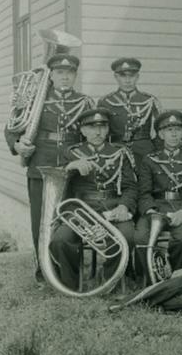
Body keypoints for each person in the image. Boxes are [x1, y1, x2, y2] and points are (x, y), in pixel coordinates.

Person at [4, 52, 95, 283]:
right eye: (60, 72)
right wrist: (17, 144)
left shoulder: (85, 102)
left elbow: (92, 137)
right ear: (52, 75)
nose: (65, 77)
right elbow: (13, 126)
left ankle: (68, 275)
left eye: (70, 73)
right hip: (41, 163)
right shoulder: (35, 100)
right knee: (40, 222)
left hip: (72, 166)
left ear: (75, 75)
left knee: (70, 220)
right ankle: (44, 272)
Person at [49, 108, 137, 290]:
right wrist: (71, 166)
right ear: (82, 131)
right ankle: (70, 285)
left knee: (128, 236)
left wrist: (124, 206)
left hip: (113, 205)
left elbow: (130, 187)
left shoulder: (120, 153)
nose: (98, 132)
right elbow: (56, 180)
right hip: (82, 207)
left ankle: (108, 280)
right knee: (61, 239)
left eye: (102, 127)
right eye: (91, 127)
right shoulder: (71, 153)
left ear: (108, 130)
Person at [134, 110, 182, 283]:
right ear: (161, 134)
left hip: (181, 207)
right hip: (156, 206)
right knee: (141, 237)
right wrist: (150, 210)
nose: (173, 134)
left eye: (177, 130)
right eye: (168, 130)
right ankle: (148, 279)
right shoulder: (150, 160)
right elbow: (144, 192)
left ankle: (175, 278)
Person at [97, 57, 161, 164]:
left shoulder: (149, 100)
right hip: (116, 151)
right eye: (123, 76)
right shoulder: (106, 102)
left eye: (131, 76)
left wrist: (157, 153)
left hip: (144, 151)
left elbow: (161, 130)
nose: (127, 80)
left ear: (137, 77)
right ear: (116, 77)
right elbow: (100, 130)